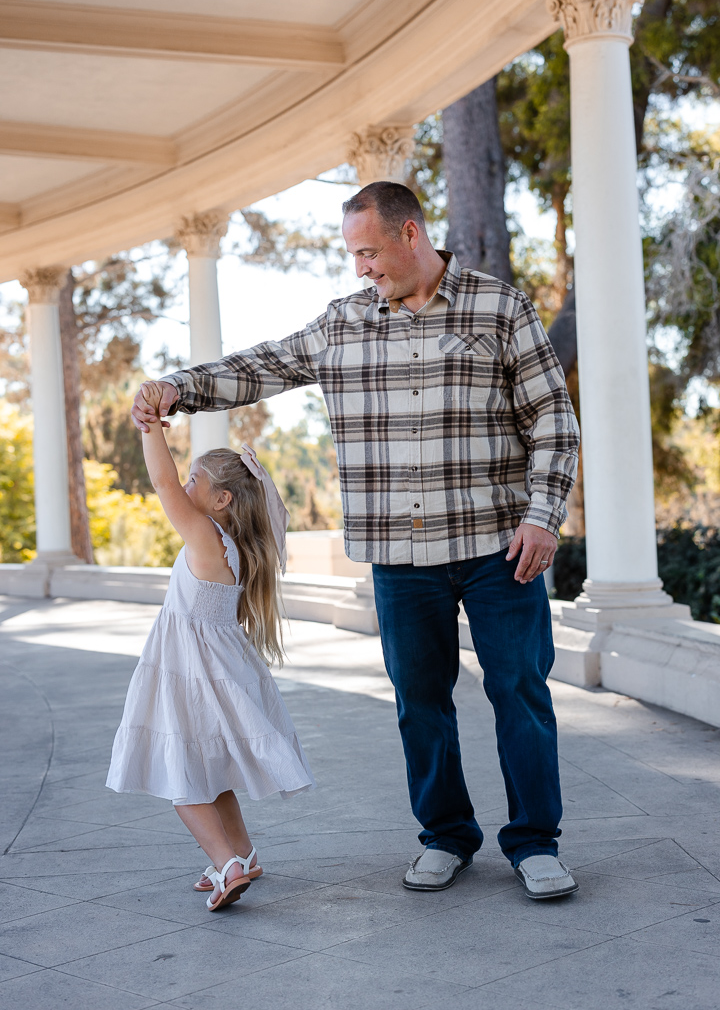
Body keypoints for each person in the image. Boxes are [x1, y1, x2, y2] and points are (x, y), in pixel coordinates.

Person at [131, 182, 580, 901]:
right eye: (354, 254)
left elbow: (553, 420)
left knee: (519, 694)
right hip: (400, 559)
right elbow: (264, 366)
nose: (362, 267)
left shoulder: (499, 307)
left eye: (369, 251)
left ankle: (535, 844)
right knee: (419, 703)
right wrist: (178, 386)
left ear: (411, 234)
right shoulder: (343, 323)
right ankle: (446, 837)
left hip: (499, 547)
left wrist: (542, 515)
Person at [108, 381, 315, 911]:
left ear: (221, 500)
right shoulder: (235, 549)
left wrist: (150, 427)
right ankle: (241, 854)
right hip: (218, 666)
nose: (186, 484)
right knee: (207, 767)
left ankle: (225, 867)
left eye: (195, 479)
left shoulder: (204, 537)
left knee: (181, 773)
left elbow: (160, 479)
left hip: (191, 667)